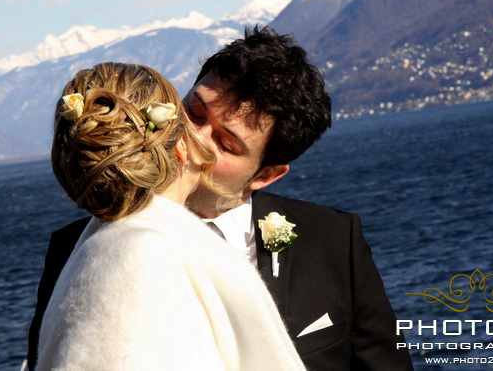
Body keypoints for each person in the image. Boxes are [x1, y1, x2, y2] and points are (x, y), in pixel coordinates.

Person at [27, 27, 414, 370]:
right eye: (193, 112)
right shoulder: (74, 247)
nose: (192, 138)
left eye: (226, 143)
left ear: (265, 175)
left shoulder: (332, 240)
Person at [35, 62, 305, 370]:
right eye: (194, 114)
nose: (200, 136)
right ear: (178, 143)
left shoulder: (100, 248)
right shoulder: (147, 256)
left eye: (225, 142)